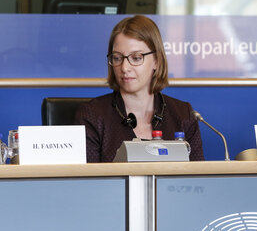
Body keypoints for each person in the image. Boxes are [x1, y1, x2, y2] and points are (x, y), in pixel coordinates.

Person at [75, 15, 204, 162]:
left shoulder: (183, 115)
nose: (124, 68)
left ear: (156, 61)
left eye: (136, 58)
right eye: (117, 58)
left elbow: (196, 179)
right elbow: (88, 182)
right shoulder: (92, 116)